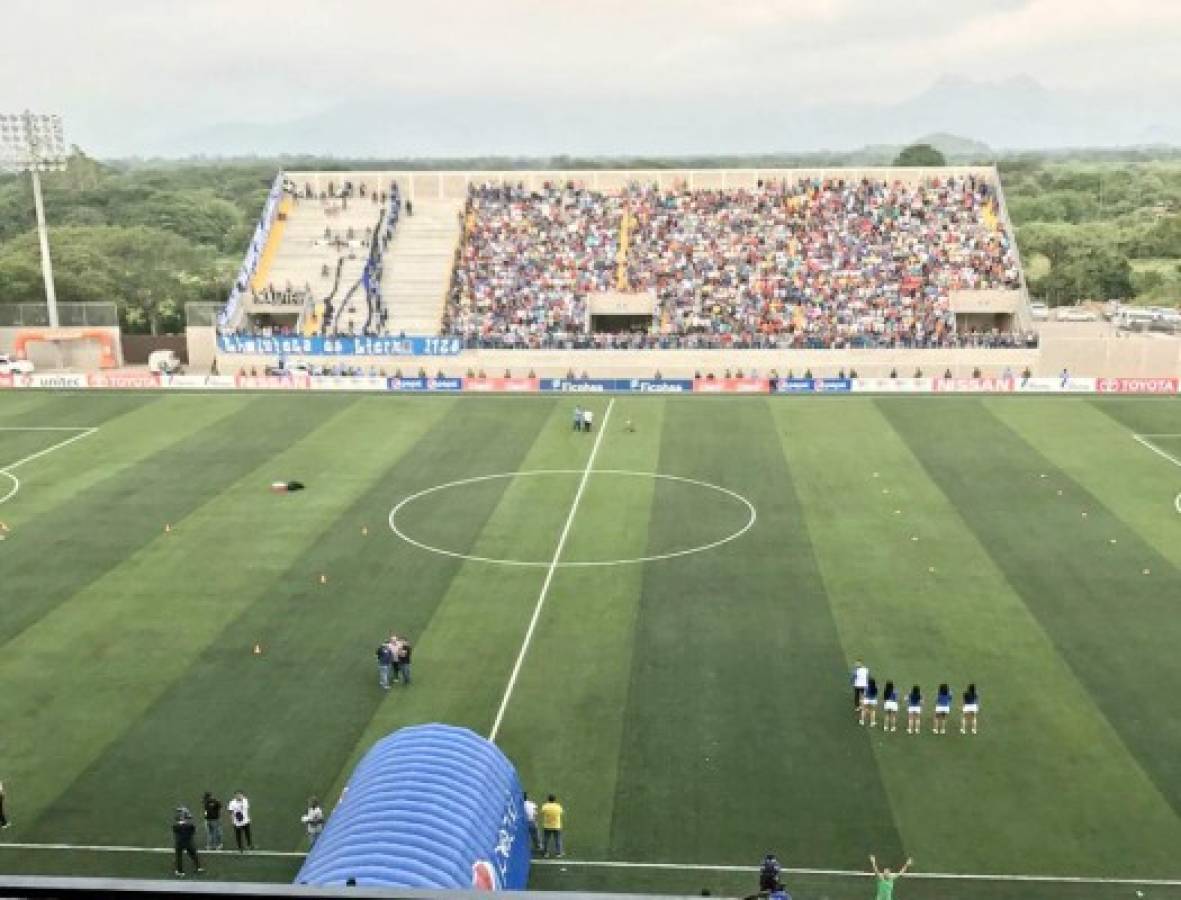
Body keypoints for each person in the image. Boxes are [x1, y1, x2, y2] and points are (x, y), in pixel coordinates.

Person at [172, 807, 202, 877]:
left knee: (179, 857)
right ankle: (198, 867)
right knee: (193, 855)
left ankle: (180, 871)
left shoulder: (176, 826)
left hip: (179, 843)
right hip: (188, 842)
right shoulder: (190, 826)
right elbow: (193, 831)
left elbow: (175, 831)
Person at [540, 793, 564, 858]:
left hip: (547, 826)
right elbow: (561, 813)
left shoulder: (545, 806)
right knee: (558, 840)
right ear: (555, 800)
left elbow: (542, 813)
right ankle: (558, 853)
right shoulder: (558, 806)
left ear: (548, 799)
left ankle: (546, 853)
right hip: (557, 826)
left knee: (546, 840)